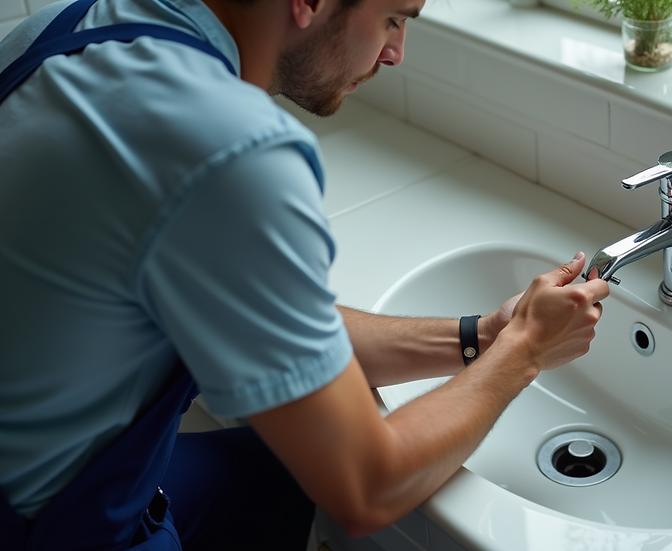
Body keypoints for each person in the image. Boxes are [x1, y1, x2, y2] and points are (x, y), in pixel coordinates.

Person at [0, 0, 611, 548]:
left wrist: (485, 335)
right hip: (58, 532)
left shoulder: (61, 29)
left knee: (277, 478)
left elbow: (271, 323)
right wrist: (525, 352)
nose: (396, 53)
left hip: (34, 484)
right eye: (393, 18)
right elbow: (366, 489)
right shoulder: (229, 148)